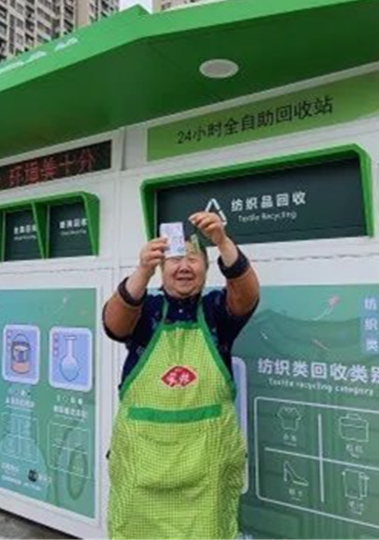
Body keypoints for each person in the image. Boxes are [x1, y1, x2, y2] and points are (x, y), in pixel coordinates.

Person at [103, 212, 260, 539]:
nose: (184, 266)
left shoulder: (217, 311)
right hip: (142, 466)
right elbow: (114, 325)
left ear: (206, 268)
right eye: (175, 259)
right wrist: (142, 269)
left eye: (193, 259)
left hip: (206, 471)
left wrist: (222, 241)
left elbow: (247, 296)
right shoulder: (145, 310)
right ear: (161, 269)